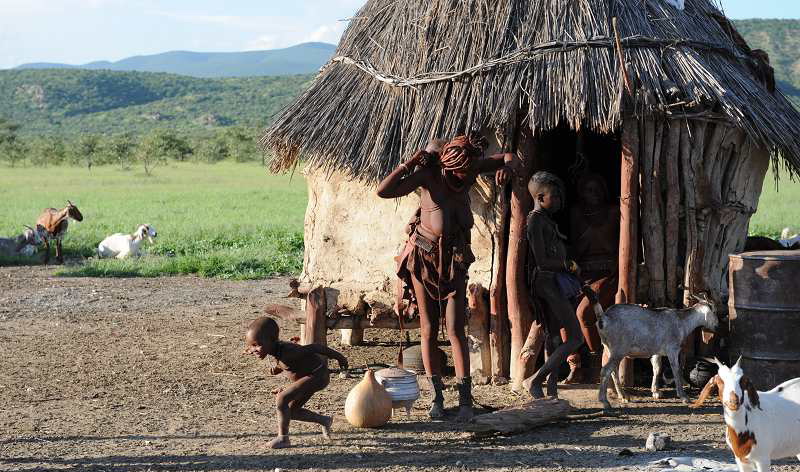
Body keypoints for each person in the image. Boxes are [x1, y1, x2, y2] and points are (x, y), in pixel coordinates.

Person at [377, 133, 513, 421]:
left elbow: (509, 156)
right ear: (447, 164)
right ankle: (437, 399)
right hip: (423, 260)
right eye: (460, 171)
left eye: (470, 170)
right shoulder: (428, 176)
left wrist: (508, 168)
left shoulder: (471, 167)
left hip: (455, 261)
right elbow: (384, 191)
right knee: (427, 328)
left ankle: (465, 399)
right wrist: (411, 162)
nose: (466, 177)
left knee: (455, 329)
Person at [521, 171, 585, 399]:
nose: (559, 201)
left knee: (554, 338)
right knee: (576, 337)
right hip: (546, 283)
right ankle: (536, 380)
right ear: (540, 198)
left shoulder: (546, 220)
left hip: (551, 283)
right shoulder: (535, 220)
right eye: (554, 196)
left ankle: (551, 392)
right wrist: (567, 265)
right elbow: (541, 260)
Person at [243, 316, 348, 448]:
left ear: (271, 340)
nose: (253, 350)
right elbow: (288, 365)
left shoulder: (289, 351)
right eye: (251, 346)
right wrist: (277, 369)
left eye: (257, 345)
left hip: (317, 376)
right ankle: (325, 420)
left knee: (282, 399)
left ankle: (283, 439)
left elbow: (315, 347)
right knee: (290, 411)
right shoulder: (277, 352)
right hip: (310, 377)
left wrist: (340, 358)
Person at [565, 173, 619, 383]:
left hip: (608, 274)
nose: (594, 194)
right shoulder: (576, 214)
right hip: (582, 274)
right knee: (562, 310)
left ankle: (596, 364)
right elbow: (575, 249)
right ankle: (574, 364)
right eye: (589, 190)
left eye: (598, 189)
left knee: (584, 312)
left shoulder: (614, 212)